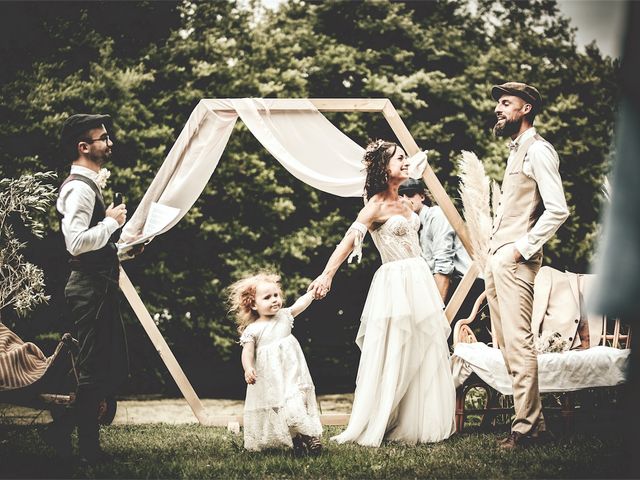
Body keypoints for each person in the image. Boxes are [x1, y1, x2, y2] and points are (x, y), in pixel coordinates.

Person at [309, 139, 456, 447]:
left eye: (405, 158)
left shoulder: (405, 201)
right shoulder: (374, 207)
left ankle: (420, 422)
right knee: (396, 349)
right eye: (398, 159)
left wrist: (417, 162)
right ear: (383, 168)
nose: (405, 162)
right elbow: (348, 241)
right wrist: (327, 274)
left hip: (419, 278)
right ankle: (380, 418)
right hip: (395, 282)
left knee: (425, 346)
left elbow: (418, 163)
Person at [486, 82, 569, 449]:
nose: (498, 109)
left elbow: (558, 209)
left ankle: (524, 429)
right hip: (499, 259)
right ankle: (537, 426)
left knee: (518, 343)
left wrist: (520, 249)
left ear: (526, 109)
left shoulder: (538, 151)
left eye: (506, 103)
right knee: (506, 344)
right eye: (498, 104)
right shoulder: (517, 150)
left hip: (515, 260)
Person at [54, 113, 130, 463]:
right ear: (83, 147)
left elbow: (96, 243)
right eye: (103, 138)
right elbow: (76, 243)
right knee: (91, 368)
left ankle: (78, 436)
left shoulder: (90, 184)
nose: (109, 142)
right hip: (88, 288)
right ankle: (84, 448)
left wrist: (123, 243)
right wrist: (109, 223)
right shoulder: (79, 189)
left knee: (103, 365)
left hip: (98, 286)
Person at [229, 272, 323, 455]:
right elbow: (247, 352)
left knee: (295, 400)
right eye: (267, 297)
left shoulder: (284, 315)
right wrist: (248, 368)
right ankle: (295, 440)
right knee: (278, 405)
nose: (274, 300)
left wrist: (311, 294)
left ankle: (310, 437)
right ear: (254, 304)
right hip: (271, 377)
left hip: (292, 371)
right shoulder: (253, 329)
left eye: (276, 295)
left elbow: (299, 305)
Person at [398, 178, 485, 325]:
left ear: (422, 196)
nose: (406, 200)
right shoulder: (411, 227)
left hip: (467, 286)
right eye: (401, 197)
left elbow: (443, 267)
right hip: (445, 287)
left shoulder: (436, 215)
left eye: (411, 194)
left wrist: (436, 315)